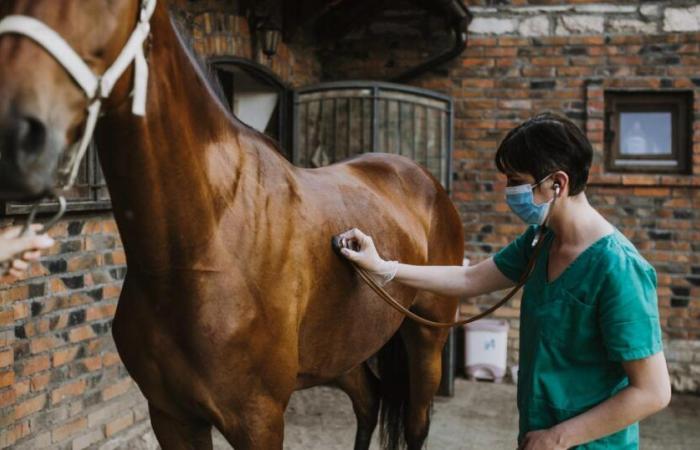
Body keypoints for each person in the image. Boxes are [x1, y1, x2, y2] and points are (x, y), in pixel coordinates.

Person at [338, 113, 670, 450]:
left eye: (517, 181)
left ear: (557, 183)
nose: (510, 192)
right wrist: (384, 268)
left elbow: (653, 391)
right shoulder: (541, 241)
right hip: (536, 435)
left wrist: (558, 438)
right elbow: (470, 277)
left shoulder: (619, 268)